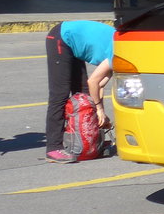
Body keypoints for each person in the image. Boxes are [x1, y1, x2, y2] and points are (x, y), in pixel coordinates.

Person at [44, 20, 115, 163]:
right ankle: (53, 147)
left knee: (83, 95)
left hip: (74, 45)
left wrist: (100, 115)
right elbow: (93, 82)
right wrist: (99, 110)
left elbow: (100, 85)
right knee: (60, 94)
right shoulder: (119, 53)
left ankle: (88, 142)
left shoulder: (124, 54)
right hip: (62, 38)